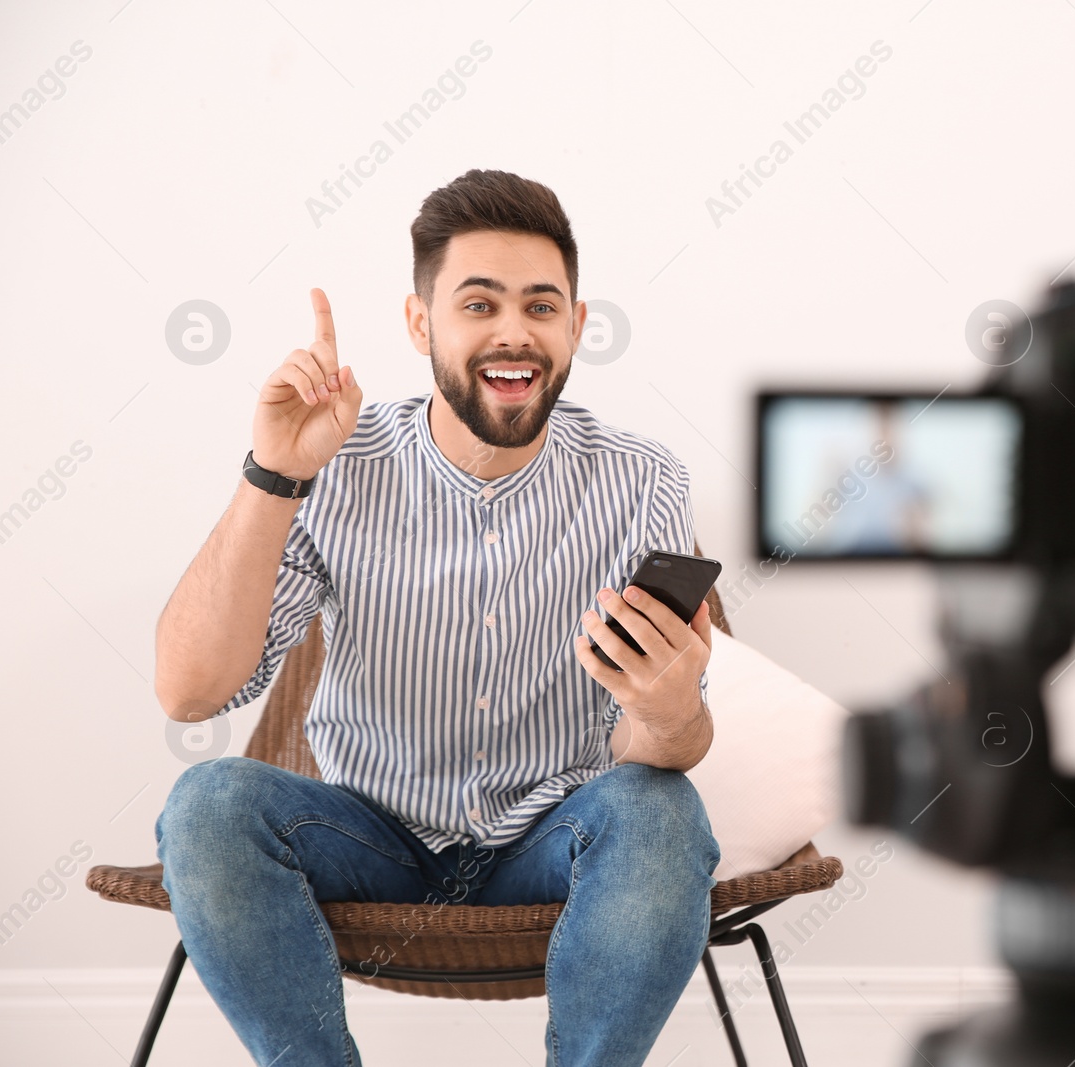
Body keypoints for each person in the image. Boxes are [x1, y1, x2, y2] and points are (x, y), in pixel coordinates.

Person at [151, 169, 720, 1067]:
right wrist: (275, 475)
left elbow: (655, 756)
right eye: (479, 303)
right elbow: (188, 693)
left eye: (541, 306)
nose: (513, 332)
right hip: (365, 837)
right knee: (207, 804)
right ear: (421, 323)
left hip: (554, 838)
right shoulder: (336, 463)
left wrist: (671, 709)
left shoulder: (642, 479)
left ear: (576, 324)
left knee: (662, 812)